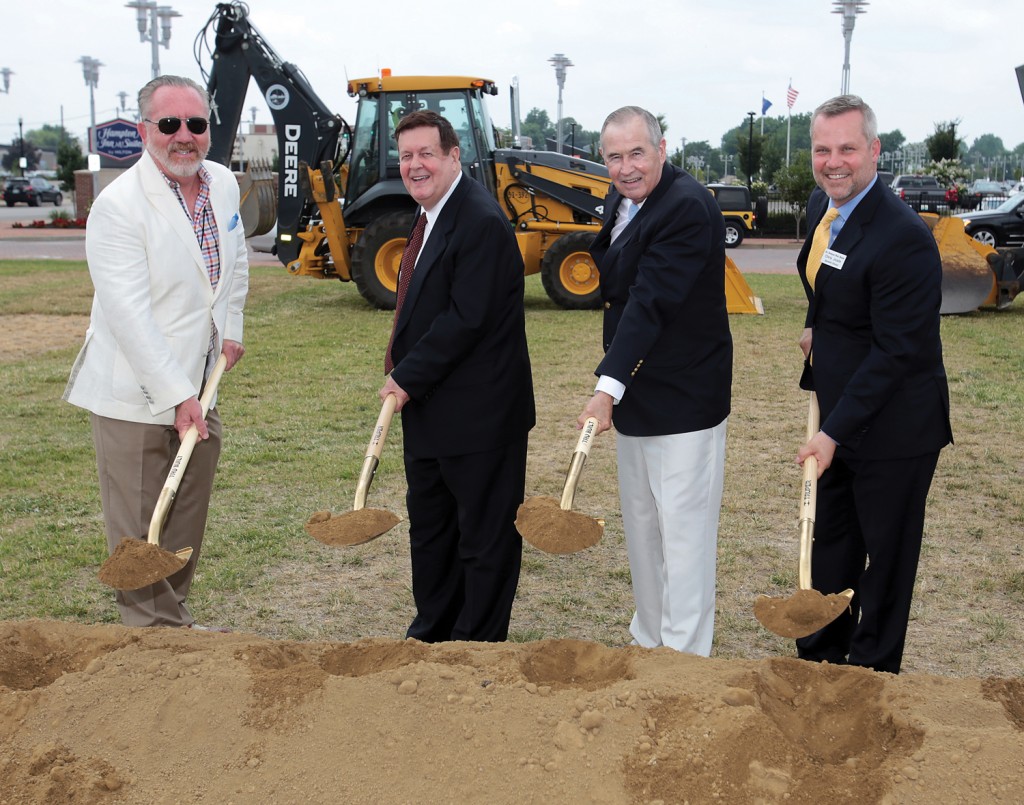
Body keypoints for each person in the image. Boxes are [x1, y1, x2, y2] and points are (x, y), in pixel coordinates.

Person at [64, 75, 248, 630]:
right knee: (141, 526)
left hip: (199, 384)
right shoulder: (119, 207)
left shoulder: (221, 184)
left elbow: (234, 263)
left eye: (196, 124)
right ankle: (151, 638)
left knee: (184, 517)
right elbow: (129, 317)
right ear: (146, 130)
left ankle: (173, 625)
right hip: (135, 396)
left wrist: (231, 329)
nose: (184, 136)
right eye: (170, 124)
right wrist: (175, 396)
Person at [795, 95, 952, 674]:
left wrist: (832, 433)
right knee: (831, 541)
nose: (834, 162)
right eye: (822, 149)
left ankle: (869, 672)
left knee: (884, 559)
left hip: (895, 426)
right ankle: (819, 656)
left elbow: (895, 351)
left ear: (874, 150)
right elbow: (825, 280)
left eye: (847, 149)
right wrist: (817, 323)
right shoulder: (824, 206)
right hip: (840, 410)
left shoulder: (903, 236)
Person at [577, 106, 732, 656]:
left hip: (685, 399)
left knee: (685, 536)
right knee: (643, 529)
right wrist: (619, 389)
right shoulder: (619, 198)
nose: (626, 167)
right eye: (614, 157)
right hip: (639, 397)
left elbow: (649, 303)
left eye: (637, 153)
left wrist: (605, 389)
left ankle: (685, 658)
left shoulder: (687, 207)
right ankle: (648, 641)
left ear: (662, 150)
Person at [379, 110, 535, 643]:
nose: (415, 165)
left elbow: (467, 320)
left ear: (453, 156)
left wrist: (405, 377)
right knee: (432, 532)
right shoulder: (429, 218)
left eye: (426, 153)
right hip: (430, 412)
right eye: (405, 156)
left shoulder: (480, 221)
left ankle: (477, 644)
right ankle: (433, 630)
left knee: (484, 538)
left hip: (480, 418)